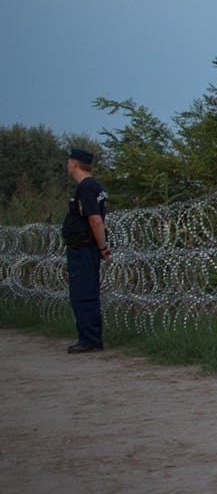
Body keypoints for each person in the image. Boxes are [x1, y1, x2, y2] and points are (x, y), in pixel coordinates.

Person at [62, 148, 111, 353]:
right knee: (84, 292)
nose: (67, 165)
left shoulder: (87, 187)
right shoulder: (93, 186)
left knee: (84, 293)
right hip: (84, 247)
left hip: (84, 248)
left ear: (74, 164)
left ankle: (90, 339)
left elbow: (95, 219)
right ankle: (88, 337)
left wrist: (102, 247)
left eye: (69, 161)